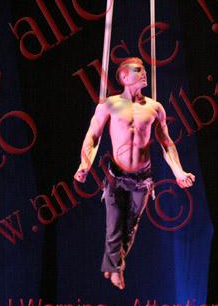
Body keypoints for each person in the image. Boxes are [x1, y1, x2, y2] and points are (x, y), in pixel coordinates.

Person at [74, 57, 195, 289]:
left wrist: (179, 172)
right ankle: (115, 268)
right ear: (124, 77)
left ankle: (113, 265)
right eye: (138, 70)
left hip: (142, 179)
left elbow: (166, 143)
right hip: (116, 176)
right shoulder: (109, 105)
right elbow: (93, 136)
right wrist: (84, 165)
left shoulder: (154, 108)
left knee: (129, 229)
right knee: (114, 226)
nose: (144, 73)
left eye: (144, 70)